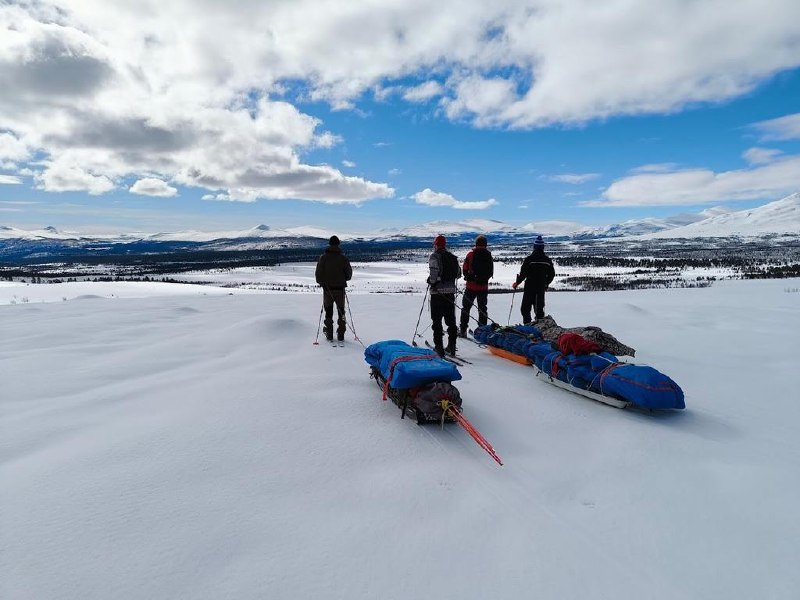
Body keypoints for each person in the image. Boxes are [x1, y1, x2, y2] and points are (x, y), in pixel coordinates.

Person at [427, 234, 461, 357]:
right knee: (451, 321)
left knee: (437, 321)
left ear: (435, 245)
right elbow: (458, 274)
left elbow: (433, 275)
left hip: (437, 293)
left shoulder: (434, 256)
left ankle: (439, 348)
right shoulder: (452, 257)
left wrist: (430, 281)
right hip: (450, 293)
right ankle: (451, 347)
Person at [315, 235, 352, 341]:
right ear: (338, 244)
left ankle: (329, 334)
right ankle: (341, 334)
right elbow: (349, 274)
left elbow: (318, 274)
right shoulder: (343, 258)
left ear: (329, 244)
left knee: (328, 311)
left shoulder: (323, 257)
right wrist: (343, 279)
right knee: (341, 312)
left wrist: (322, 283)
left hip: (327, 290)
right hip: (340, 289)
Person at [512, 235, 555, 324]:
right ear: (543, 247)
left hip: (529, 287)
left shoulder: (529, 259)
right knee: (539, 311)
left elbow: (523, 273)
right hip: (541, 288)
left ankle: (528, 326)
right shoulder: (547, 260)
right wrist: (546, 283)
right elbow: (552, 274)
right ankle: (539, 329)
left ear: (534, 247)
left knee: (525, 309)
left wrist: (517, 282)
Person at [459, 234, 494, 337]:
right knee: (482, 309)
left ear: (476, 243)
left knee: (466, 308)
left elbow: (465, 269)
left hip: (471, 287)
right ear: (485, 244)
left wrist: (468, 277)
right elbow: (491, 271)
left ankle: (463, 330)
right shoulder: (489, 255)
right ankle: (482, 332)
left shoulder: (471, 255)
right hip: (483, 287)